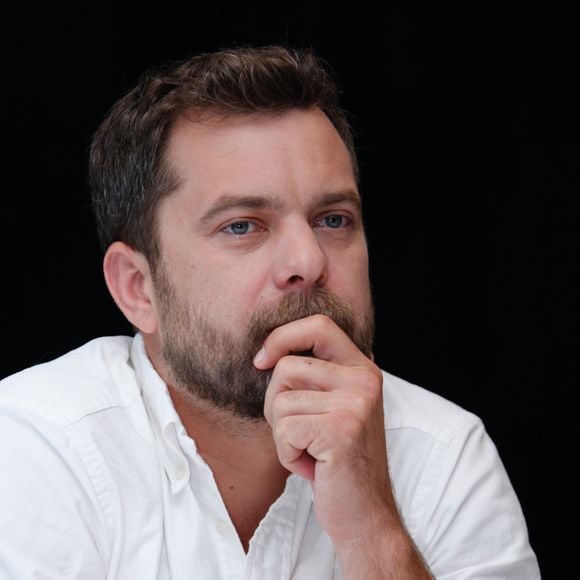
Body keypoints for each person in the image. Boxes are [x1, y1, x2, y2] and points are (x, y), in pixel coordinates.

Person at [0, 45, 540, 579]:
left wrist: (373, 530)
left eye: (333, 220)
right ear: (139, 288)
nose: (307, 262)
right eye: (242, 225)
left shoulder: (443, 451)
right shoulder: (34, 444)